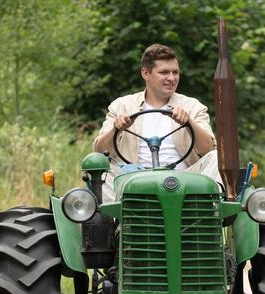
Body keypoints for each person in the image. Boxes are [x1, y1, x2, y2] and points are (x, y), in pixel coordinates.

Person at [93, 44, 221, 201]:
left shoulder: (193, 106)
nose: (172, 78)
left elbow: (208, 149)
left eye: (175, 72)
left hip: (185, 179)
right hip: (133, 179)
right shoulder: (121, 106)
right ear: (146, 73)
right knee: (100, 168)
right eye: (164, 73)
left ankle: (210, 213)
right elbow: (100, 151)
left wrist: (189, 124)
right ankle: (114, 222)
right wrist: (116, 129)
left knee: (216, 157)